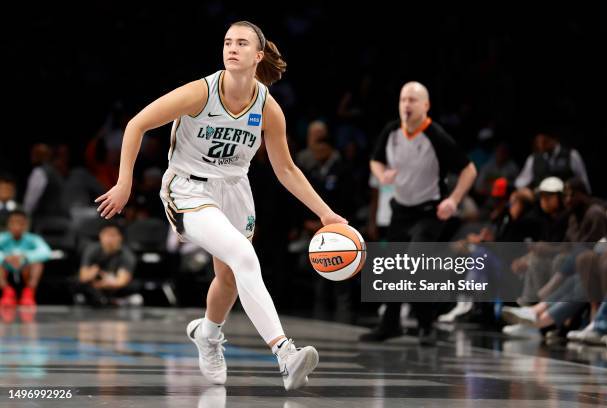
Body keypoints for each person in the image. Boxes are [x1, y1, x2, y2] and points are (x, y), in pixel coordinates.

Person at [94, 21, 346, 390]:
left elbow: (287, 169)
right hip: (188, 189)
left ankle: (208, 334)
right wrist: (124, 182)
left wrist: (324, 212)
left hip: (234, 190)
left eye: (242, 43)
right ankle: (285, 354)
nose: (232, 48)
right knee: (244, 255)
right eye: (228, 42)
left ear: (257, 55)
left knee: (228, 276)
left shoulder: (268, 108)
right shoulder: (201, 92)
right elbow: (136, 125)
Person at [362, 81, 477, 344]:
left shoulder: (435, 135)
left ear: (426, 106)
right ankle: (390, 324)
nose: (407, 105)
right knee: (392, 267)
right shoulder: (391, 131)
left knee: (414, 263)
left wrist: (454, 200)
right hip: (401, 210)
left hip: (429, 212)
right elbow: (375, 160)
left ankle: (426, 325)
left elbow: (469, 169)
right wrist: (383, 176)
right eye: (403, 99)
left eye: (413, 100)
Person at [72, 222, 141, 307]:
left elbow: (121, 281)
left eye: (113, 235)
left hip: (112, 286)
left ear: (120, 237)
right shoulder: (92, 250)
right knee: (76, 282)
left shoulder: (126, 254)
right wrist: (93, 274)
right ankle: (107, 300)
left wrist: (104, 283)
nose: (110, 239)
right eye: (107, 235)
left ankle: (107, 300)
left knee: (133, 286)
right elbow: (83, 276)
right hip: (95, 284)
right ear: (100, 236)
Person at [0, 210, 51, 306]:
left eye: (20, 223)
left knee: (37, 264)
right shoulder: (2, 238)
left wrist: (26, 256)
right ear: (8, 225)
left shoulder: (33, 238)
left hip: (25, 268)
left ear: (26, 225)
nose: (17, 226)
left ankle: (28, 293)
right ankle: (7, 293)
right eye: (13, 222)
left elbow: (46, 252)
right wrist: (5, 257)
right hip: (6, 268)